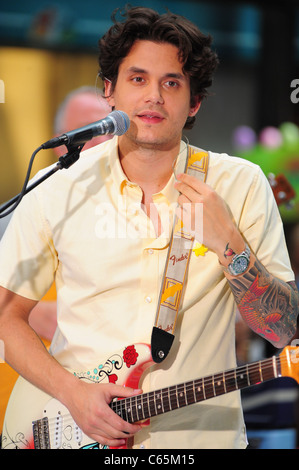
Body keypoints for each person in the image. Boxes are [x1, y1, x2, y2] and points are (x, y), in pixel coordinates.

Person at [0, 6, 298, 450]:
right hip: (68, 428)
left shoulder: (240, 184)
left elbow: (282, 329)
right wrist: (75, 395)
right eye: (137, 79)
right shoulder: (57, 190)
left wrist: (230, 246)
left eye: (172, 82)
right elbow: (7, 316)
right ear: (110, 91)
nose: (154, 96)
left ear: (193, 101)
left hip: (198, 440)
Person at [0, 87, 112, 438]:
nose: (95, 142)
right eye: (84, 132)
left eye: (103, 131)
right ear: (58, 142)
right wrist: (28, 314)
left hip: (98, 394)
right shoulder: (20, 210)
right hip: (24, 391)